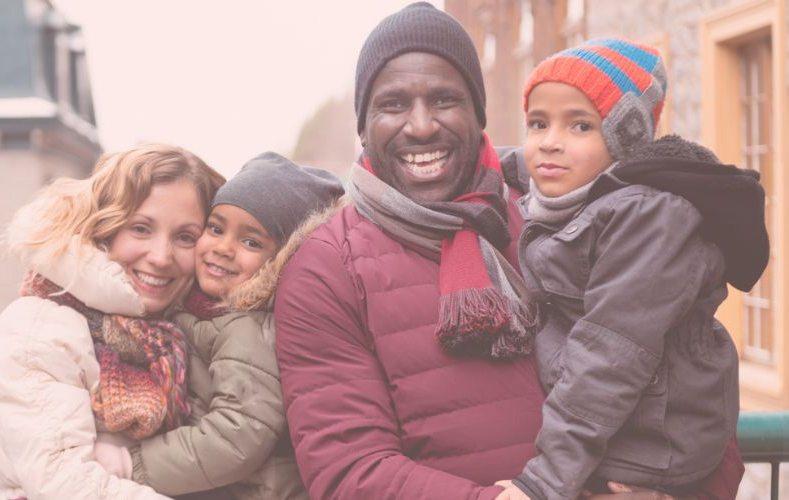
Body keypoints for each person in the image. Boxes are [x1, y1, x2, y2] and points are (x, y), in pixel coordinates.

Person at [273, 3, 746, 499]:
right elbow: (349, 471)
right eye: (392, 104)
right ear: (363, 127)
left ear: (478, 114)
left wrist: (682, 492)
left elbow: (690, 368)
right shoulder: (326, 269)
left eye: (444, 99)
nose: (421, 126)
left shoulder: (565, 213)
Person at [492, 38, 767, 500]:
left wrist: (542, 483)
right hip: (615, 436)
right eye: (537, 123)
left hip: (648, 446)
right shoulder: (576, 200)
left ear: (625, 137)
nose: (550, 142)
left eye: (581, 125)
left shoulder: (649, 217)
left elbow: (610, 355)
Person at [0, 144, 225, 500]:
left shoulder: (181, 329)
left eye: (185, 237)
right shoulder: (40, 324)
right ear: (103, 227)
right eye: (141, 228)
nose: (161, 257)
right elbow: (61, 482)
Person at [123, 152, 344, 500]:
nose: (224, 248)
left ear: (281, 260)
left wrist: (134, 464)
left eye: (251, 241)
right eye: (216, 228)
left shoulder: (249, 328)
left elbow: (237, 436)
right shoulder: (201, 309)